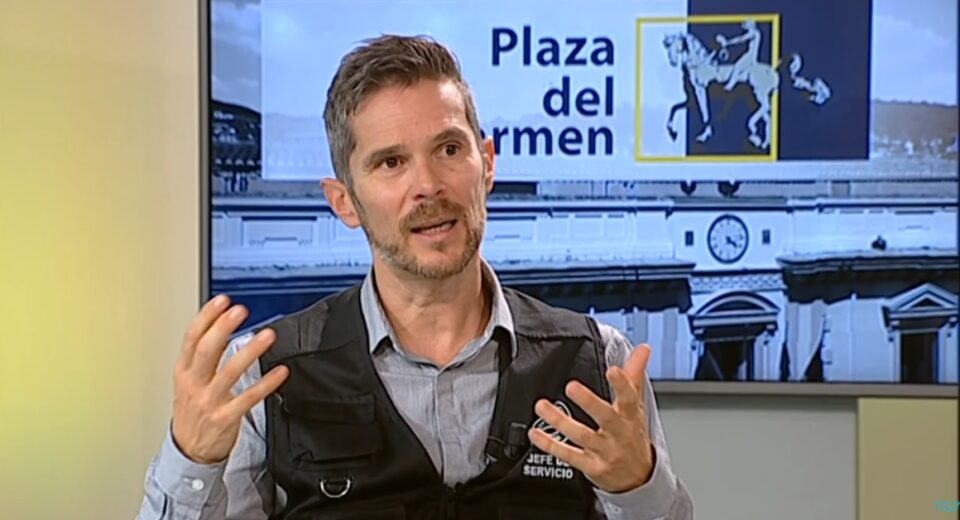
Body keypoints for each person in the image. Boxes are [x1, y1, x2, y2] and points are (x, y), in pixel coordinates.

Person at [137, 35, 693, 519]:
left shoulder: (599, 362)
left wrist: (636, 485)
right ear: (343, 201)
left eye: (449, 149)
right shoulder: (262, 377)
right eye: (391, 163)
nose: (428, 185)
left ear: (487, 163)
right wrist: (192, 460)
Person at [716, 19, 762, 91]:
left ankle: (730, 86)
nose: (744, 25)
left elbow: (741, 39)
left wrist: (728, 42)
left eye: (746, 23)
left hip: (750, 56)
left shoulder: (754, 32)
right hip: (750, 54)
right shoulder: (754, 32)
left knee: (737, 67)